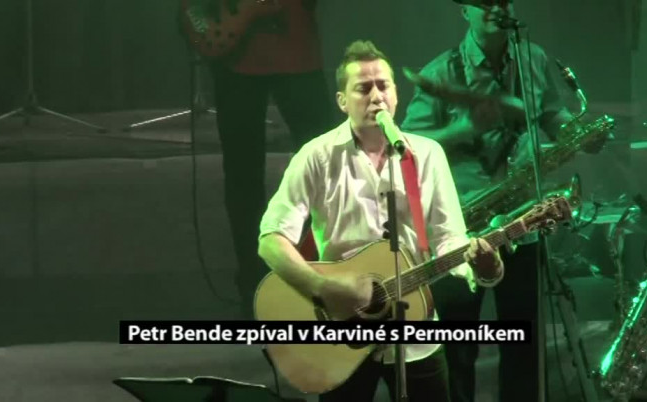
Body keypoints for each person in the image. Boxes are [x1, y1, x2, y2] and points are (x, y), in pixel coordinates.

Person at [258, 40, 505, 402]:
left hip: (416, 332)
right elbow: (271, 239)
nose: (376, 96)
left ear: (396, 94)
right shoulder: (315, 156)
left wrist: (483, 267)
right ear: (342, 101)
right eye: (363, 88)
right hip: (342, 334)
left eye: (383, 86)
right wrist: (324, 289)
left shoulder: (427, 155)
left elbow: (448, 238)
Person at [401, 1, 601, 400]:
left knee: (523, 343)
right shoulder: (440, 72)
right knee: (458, 345)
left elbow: (551, 115)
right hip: (462, 226)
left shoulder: (532, 57)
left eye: (503, 1)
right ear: (464, 11)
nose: (496, 6)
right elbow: (406, 148)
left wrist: (577, 133)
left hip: (524, 221)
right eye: (484, 1)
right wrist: (463, 129)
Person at [188, 0, 336, 318]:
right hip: (237, 59)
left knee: (327, 170)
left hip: (295, 52)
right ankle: (255, 289)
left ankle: (323, 275)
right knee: (243, 178)